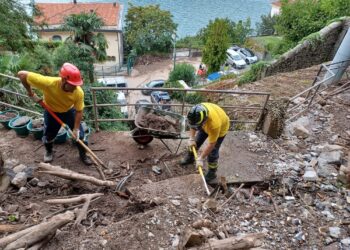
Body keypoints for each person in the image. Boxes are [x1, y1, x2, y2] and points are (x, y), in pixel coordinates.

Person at [18, 63, 92, 165]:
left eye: (77, 85)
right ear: (64, 80)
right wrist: (30, 92)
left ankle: (83, 155)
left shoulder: (78, 92)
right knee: (49, 135)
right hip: (51, 111)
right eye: (73, 85)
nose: (75, 87)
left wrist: (75, 129)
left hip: (69, 111)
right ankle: (49, 151)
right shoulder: (49, 83)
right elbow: (22, 74)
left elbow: (79, 111)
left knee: (80, 135)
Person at [180, 103, 229, 182]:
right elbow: (193, 125)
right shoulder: (196, 113)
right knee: (196, 142)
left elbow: (211, 144)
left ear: (205, 120)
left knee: (213, 152)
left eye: (198, 125)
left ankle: (212, 173)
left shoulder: (214, 124)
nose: (196, 128)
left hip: (220, 129)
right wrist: (191, 138)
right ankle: (190, 158)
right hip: (204, 125)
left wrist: (201, 158)